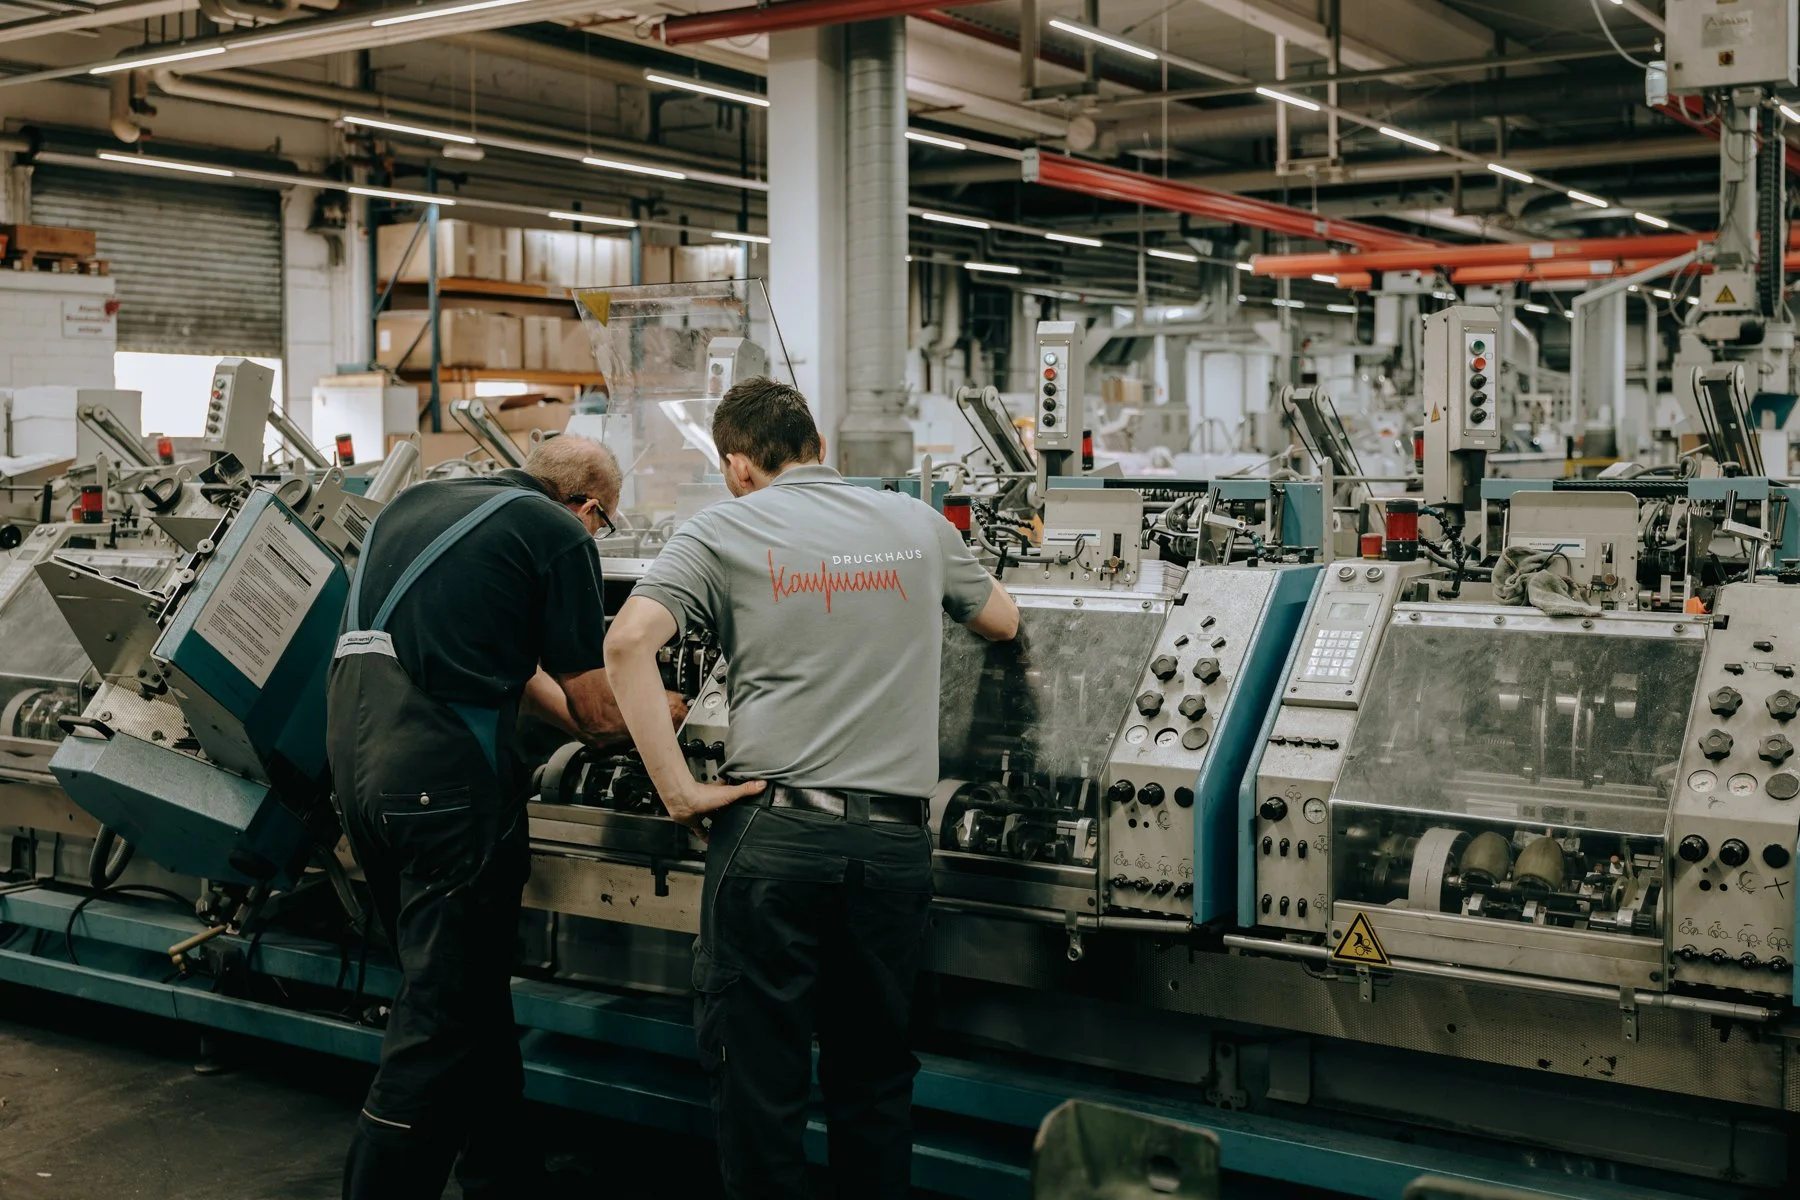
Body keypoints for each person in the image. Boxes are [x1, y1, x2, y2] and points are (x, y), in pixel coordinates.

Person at [606, 377, 1020, 1199]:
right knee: (874, 1083)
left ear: (737, 465)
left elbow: (626, 645)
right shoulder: (916, 523)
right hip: (893, 847)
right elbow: (1003, 621)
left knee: (761, 1084)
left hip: (777, 838)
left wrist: (680, 792)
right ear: (819, 447)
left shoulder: (721, 527)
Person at [327, 435, 682, 1200]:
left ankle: (503, 1176)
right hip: (445, 789)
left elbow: (502, 669)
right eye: (605, 525)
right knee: (438, 1021)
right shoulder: (557, 533)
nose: (598, 537)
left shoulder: (412, 505)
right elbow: (598, 716)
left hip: (358, 773)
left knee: (469, 991)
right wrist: (667, 711)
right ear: (590, 508)